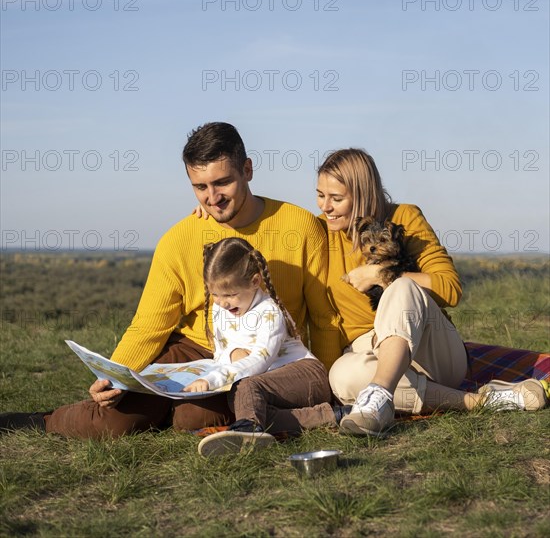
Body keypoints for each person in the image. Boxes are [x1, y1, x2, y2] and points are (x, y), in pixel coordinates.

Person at [0, 122, 340, 439]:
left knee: (193, 417)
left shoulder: (300, 226)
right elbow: (149, 325)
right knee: (114, 421)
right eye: (200, 187)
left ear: (247, 170)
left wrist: (327, 384)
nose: (212, 197)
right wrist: (113, 376)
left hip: (263, 357)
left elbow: (324, 318)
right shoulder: (179, 239)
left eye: (223, 182)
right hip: (194, 349)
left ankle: (171, 410)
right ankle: (38, 420)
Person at [316, 148, 548, 436]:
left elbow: (450, 289)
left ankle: (378, 395)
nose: (325, 206)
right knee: (342, 375)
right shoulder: (320, 236)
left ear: (364, 195)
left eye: (336, 199)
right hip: (371, 354)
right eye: (320, 195)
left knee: (401, 287)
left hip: (430, 349)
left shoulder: (405, 218)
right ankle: (481, 400)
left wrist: (380, 274)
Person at [185, 237, 333, 456]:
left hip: (306, 375)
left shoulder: (269, 312)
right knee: (245, 399)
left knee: (245, 388)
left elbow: (260, 359)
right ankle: (330, 416)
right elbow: (221, 353)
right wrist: (234, 354)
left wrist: (213, 379)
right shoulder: (221, 310)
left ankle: (248, 432)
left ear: (255, 282)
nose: (222, 302)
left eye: (230, 295)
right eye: (214, 294)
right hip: (268, 387)